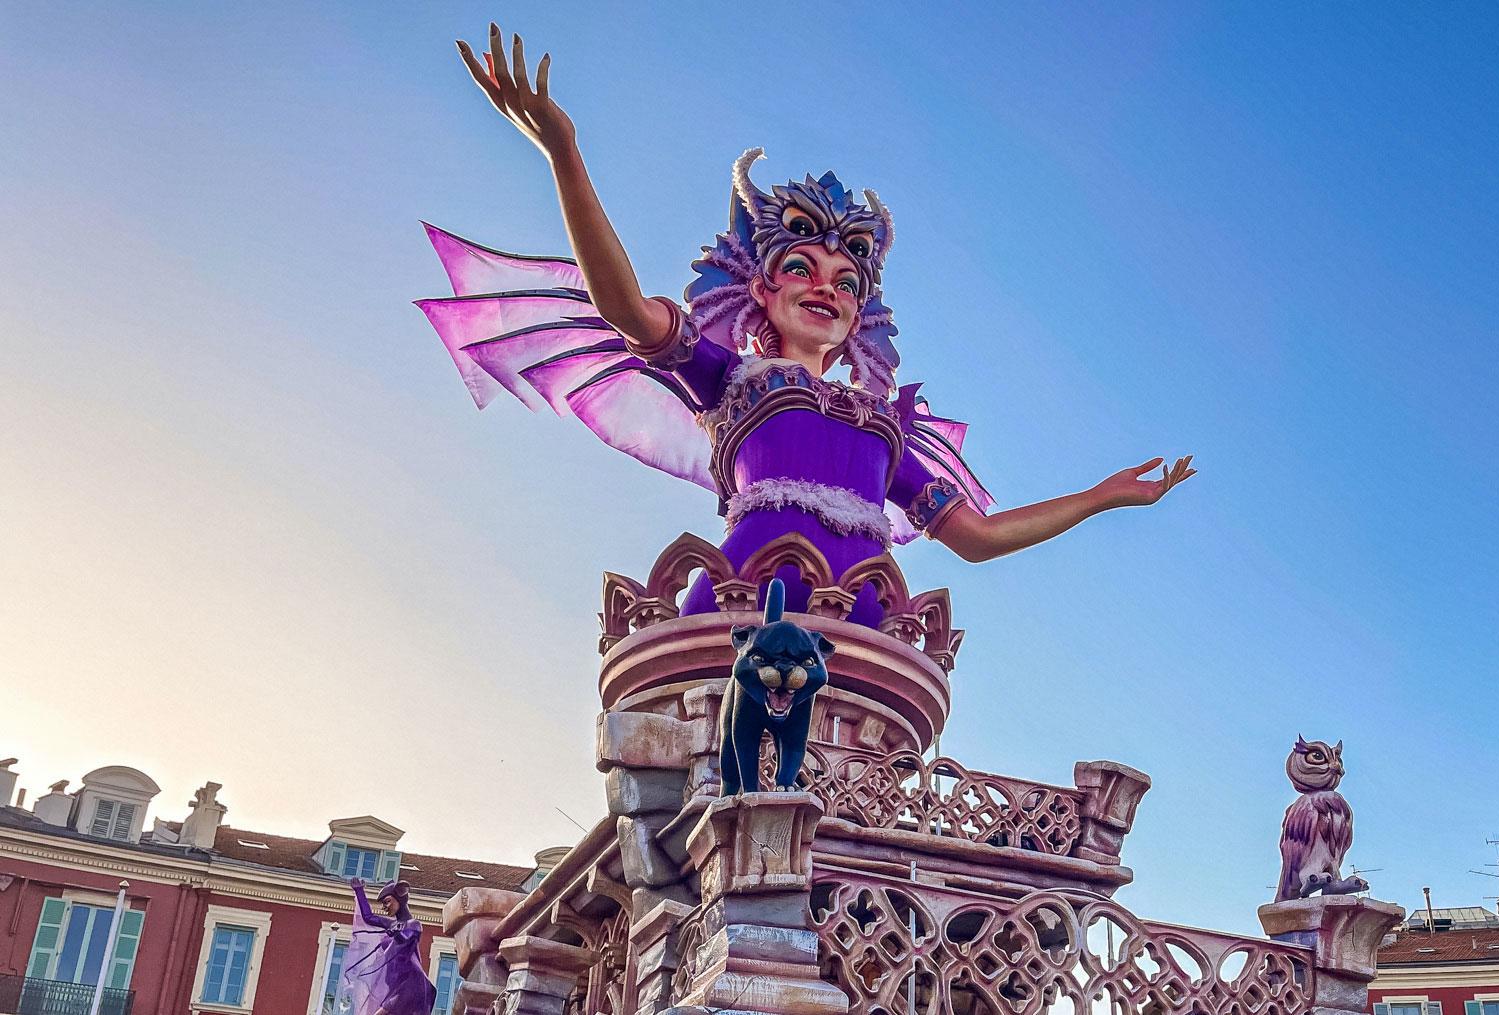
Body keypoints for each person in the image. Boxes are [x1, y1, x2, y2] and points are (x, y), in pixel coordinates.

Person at [418, 24, 1195, 627]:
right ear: (759, 285)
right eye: (801, 268)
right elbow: (624, 307)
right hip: (749, 609)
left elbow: (977, 538)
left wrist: (1101, 495)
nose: (826, 287)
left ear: (862, 314)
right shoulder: (729, 379)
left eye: (847, 282)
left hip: (864, 623)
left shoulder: (883, 428)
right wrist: (565, 155)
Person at [341, 877, 435, 1015]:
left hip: (410, 984)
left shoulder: (414, 925)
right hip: (394, 985)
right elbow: (369, 917)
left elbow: (405, 939)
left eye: (387, 902)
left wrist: (396, 933)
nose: (384, 907)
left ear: (400, 898)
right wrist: (360, 891)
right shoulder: (392, 925)